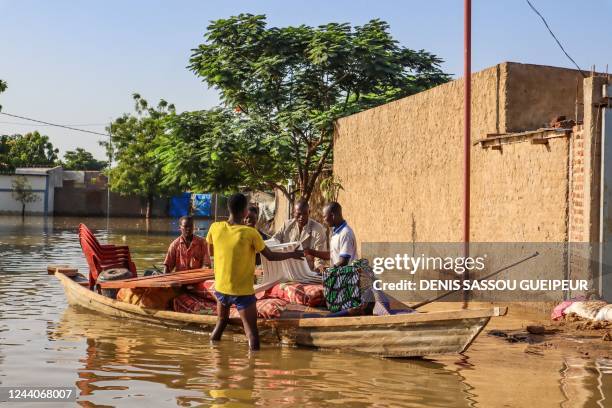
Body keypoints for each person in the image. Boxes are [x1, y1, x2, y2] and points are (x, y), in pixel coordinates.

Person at [206, 193, 304, 351]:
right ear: (245, 212)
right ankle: (252, 369)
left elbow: (210, 251)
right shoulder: (251, 234)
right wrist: (292, 254)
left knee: (221, 322)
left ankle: (213, 357)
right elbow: (270, 256)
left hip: (221, 289)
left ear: (229, 209)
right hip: (242, 292)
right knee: (252, 334)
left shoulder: (215, 228)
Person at [273, 199, 328, 272]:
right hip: (287, 270)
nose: (301, 217)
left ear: (309, 212)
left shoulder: (318, 229)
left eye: (305, 213)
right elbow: (274, 242)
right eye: (299, 214)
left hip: (308, 271)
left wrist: (318, 269)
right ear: (293, 213)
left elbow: (319, 257)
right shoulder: (286, 225)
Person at [304, 202, 356, 268]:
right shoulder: (335, 232)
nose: (323, 220)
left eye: (324, 217)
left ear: (332, 216)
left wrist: (329, 270)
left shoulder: (345, 233)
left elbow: (344, 262)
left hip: (347, 277)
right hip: (338, 275)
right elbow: (332, 254)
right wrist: (310, 252)